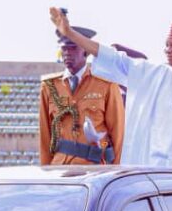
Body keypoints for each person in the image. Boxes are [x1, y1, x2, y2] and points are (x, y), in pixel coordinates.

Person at [49, 7, 172, 209]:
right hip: (149, 177)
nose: (168, 50)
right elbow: (114, 58)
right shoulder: (155, 74)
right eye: (167, 45)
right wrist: (70, 33)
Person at [39, 13, 125, 165]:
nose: (67, 53)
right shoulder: (49, 86)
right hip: (60, 168)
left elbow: (118, 135)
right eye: (63, 49)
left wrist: (115, 171)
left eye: (72, 48)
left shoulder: (106, 85)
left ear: (85, 51)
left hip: (94, 168)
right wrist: (46, 173)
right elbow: (45, 137)